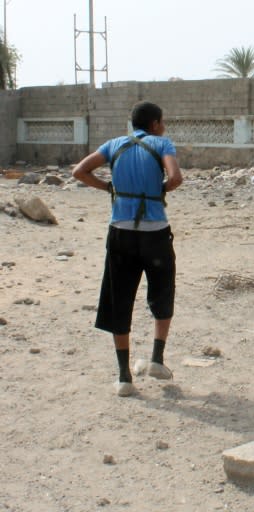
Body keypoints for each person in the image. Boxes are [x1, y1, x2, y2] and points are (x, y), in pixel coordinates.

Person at [72, 101, 183, 397]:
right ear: (156, 123)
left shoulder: (113, 145)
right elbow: (175, 178)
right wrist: (159, 191)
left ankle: (124, 377)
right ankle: (157, 359)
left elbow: (79, 171)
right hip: (155, 234)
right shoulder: (162, 143)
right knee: (162, 291)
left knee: (118, 299)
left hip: (120, 233)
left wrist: (108, 189)